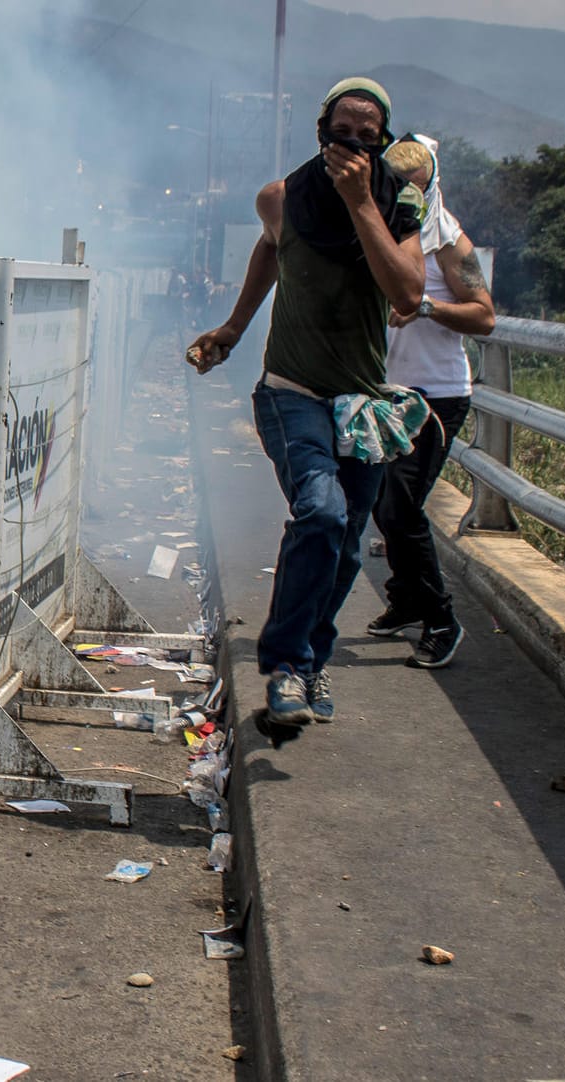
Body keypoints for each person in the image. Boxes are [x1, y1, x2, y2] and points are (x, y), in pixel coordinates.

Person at [187, 77, 425, 733]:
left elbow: (406, 294)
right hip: (291, 390)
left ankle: (312, 660)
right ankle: (288, 665)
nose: (350, 145)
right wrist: (235, 327)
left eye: (366, 136)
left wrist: (361, 207)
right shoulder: (282, 199)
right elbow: (271, 245)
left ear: (382, 143)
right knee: (320, 511)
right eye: (340, 132)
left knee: (346, 547)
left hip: (364, 404)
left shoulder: (399, 207)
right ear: (320, 131)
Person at [367, 135, 494, 668]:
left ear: (432, 185)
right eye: (399, 191)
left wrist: (425, 308)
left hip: (438, 394)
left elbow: (484, 316)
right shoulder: (379, 231)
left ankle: (441, 617)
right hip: (389, 392)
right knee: (381, 501)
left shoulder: (447, 240)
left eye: (417, 191)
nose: (409, 202)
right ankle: (406, 599)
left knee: (401, 502)